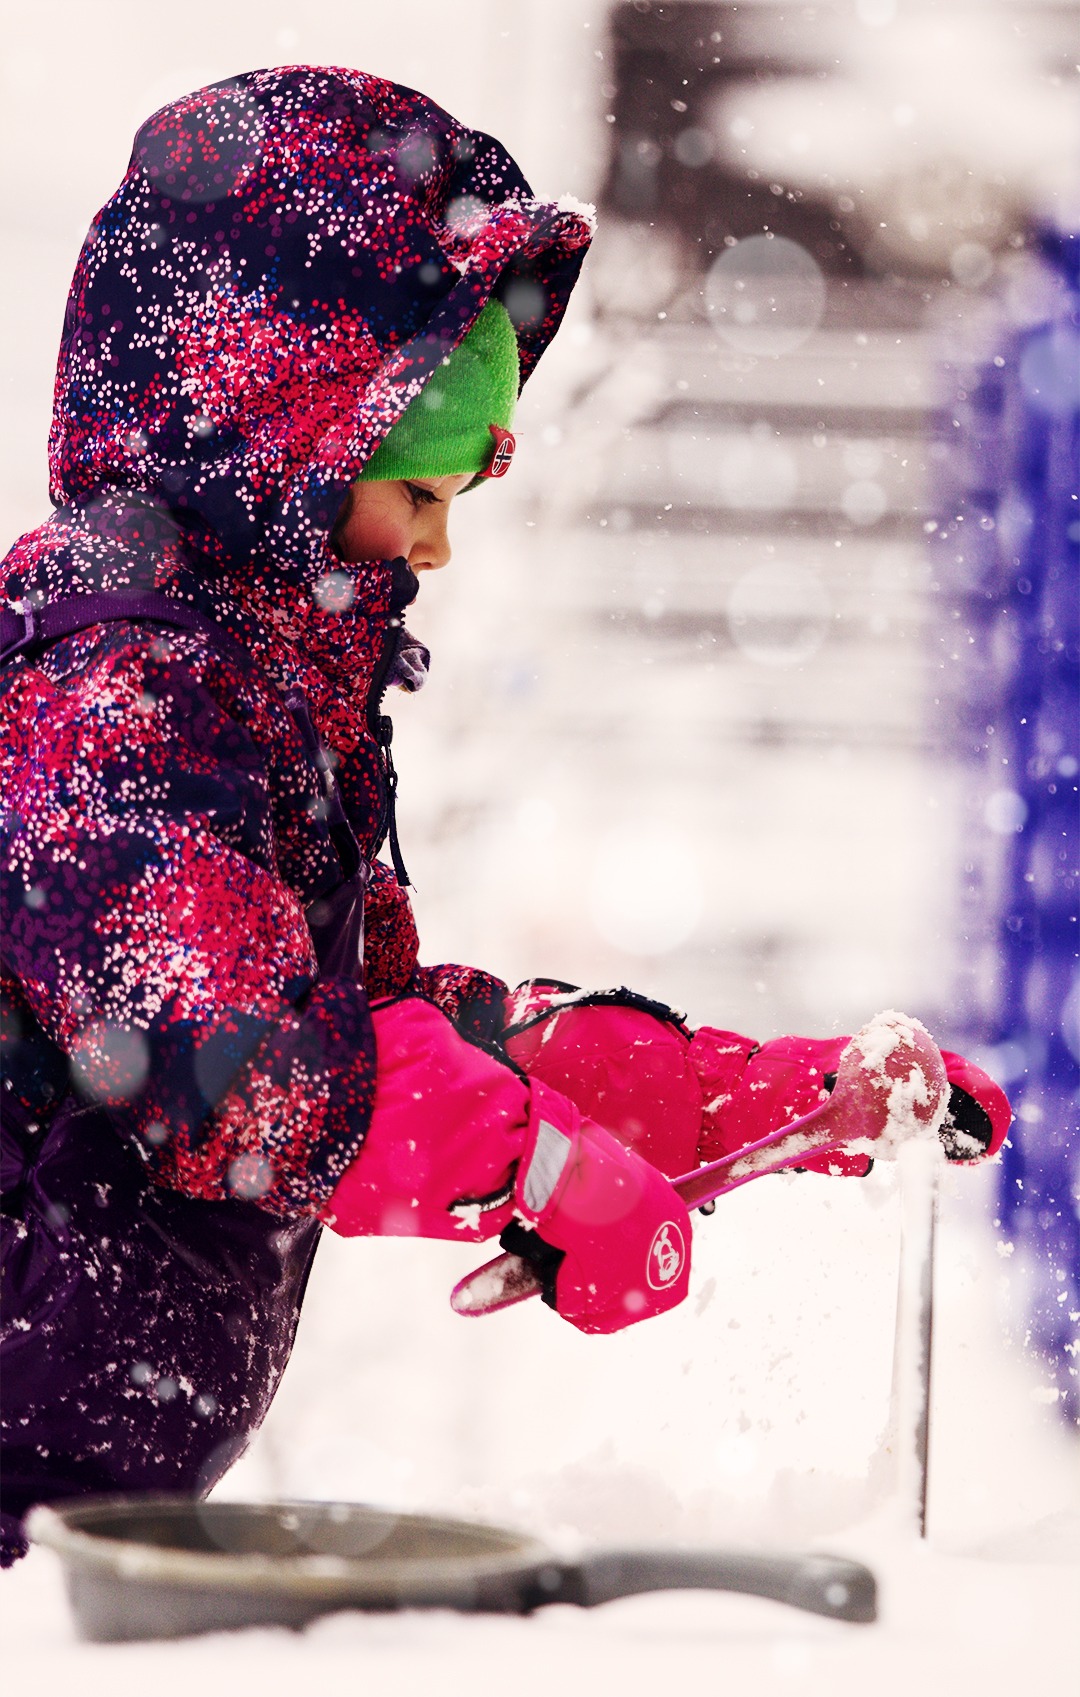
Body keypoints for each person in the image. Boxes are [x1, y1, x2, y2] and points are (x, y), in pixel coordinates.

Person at [0, 66, 1009, 1568]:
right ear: (284, 449)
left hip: (71, 1512)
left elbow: (387, 1021)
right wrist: (524, 1167)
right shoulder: (108, 683)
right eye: (417, 489)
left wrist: (745, 1101)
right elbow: (222, 1056)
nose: (438, 544)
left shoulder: (261, 688)